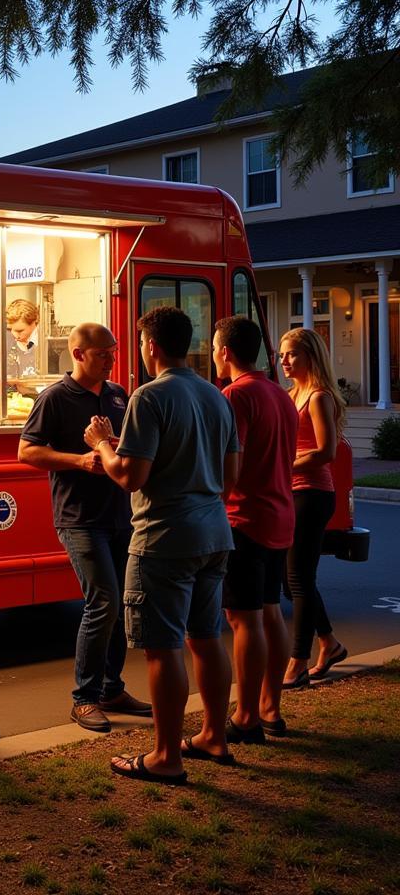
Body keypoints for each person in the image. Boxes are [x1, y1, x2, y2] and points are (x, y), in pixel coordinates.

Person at [85, 306, 238, 785]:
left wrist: (103, 443)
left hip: (163, 538)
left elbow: (131, 477)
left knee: (163, 646)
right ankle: (215, 734)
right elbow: (230, 477)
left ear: (150, 344)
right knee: (207, 638)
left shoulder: (149, 398)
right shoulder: (216, 397)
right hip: (214, 532)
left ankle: (166, 755)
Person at [18, 323, 151, 732]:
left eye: (113, 352)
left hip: (118, 515)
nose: (112, 360)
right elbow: (26, 451)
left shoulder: (116, 396)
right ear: (78, 354)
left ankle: (111, 688)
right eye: (103, 354)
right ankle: (84, 698)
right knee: (103, 600)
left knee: (119, 603)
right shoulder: (54, 398)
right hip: (78, 518)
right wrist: (79, 460)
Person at [211, 316, 297, 745]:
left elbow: (233, 463)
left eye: (213, 347)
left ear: (225, 352)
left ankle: (244, 717)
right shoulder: (281, 395)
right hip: (280, 515)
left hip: (244, 518)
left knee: (242, 619)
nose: (212, 354)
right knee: (269, 612)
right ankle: (270, 708)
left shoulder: (235, 396)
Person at [279, 328, 348, 689]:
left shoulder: (318, 398)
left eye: (291, 354)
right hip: (289, 492)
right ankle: (330, 644)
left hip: (313, 494)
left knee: (299, 579)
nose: (284, 361)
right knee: (293, 583)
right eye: (281, 355)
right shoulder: (290, 395)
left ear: (310, 356)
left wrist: (283, 465)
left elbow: (326, 451)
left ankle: (298, 662)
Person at [5, 299, 40, 378]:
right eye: (10, 329)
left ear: (34, 323)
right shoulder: (7, 340)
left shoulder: (46, 345)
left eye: (20, 331)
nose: (14, 335)